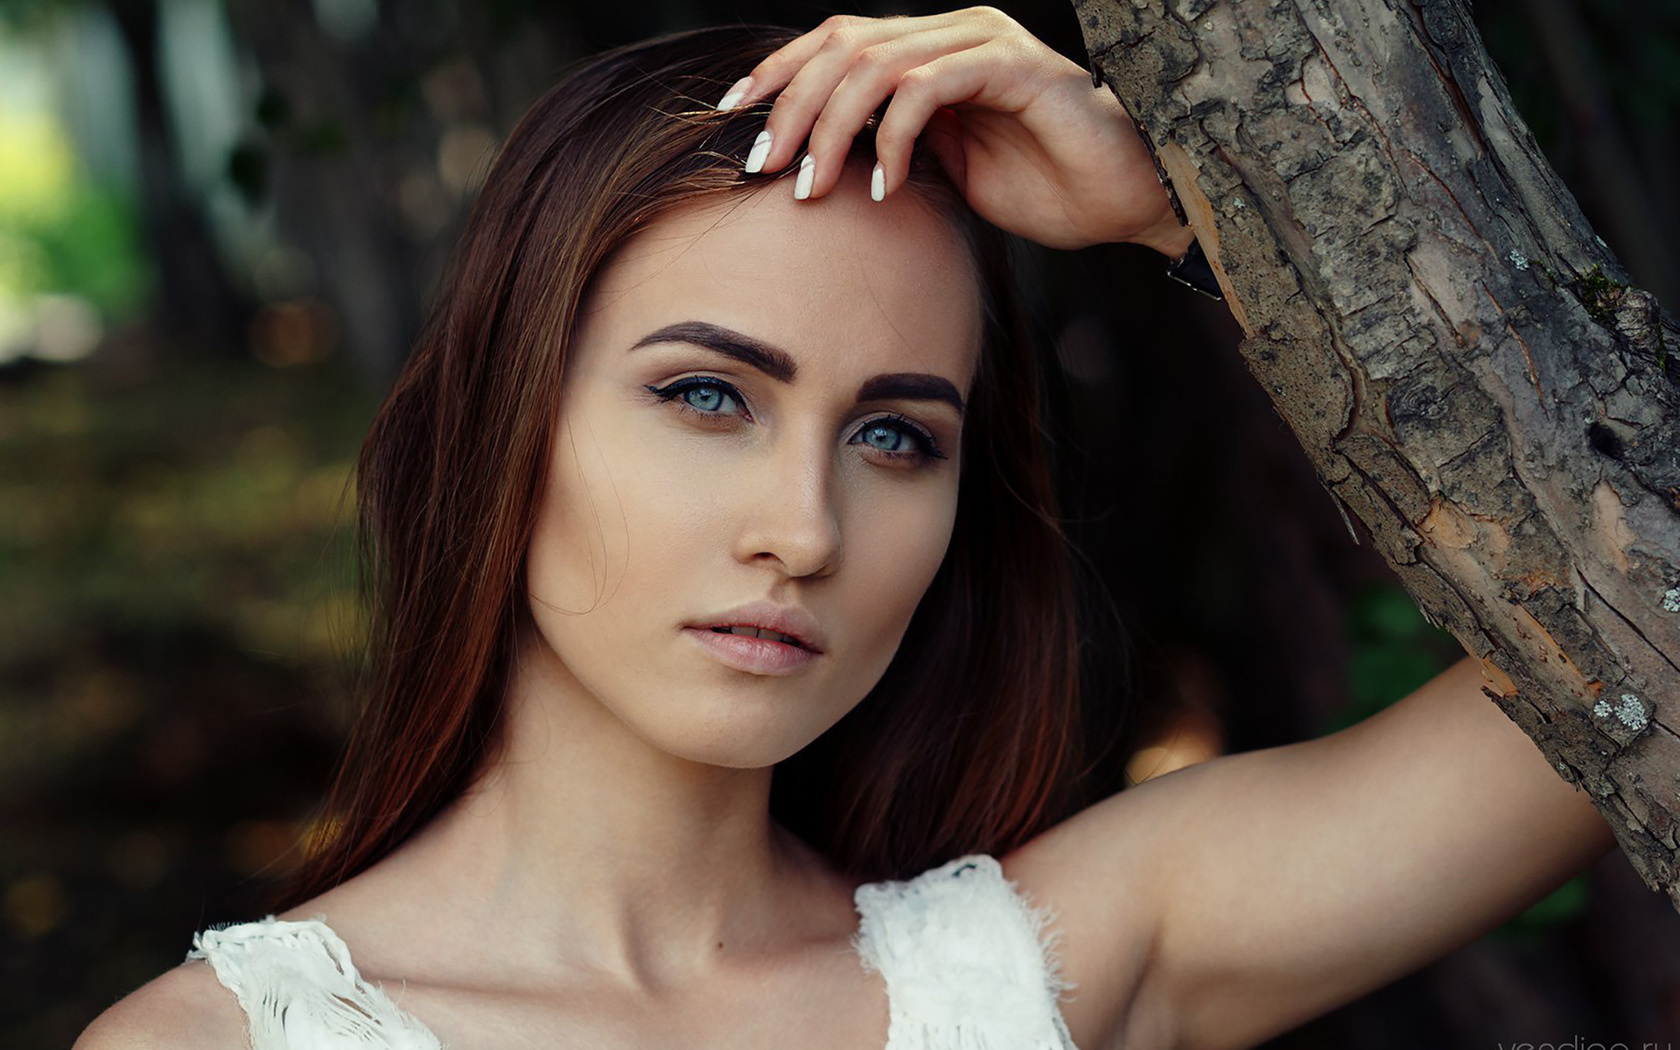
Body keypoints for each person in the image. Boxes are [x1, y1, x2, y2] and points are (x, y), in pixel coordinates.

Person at [75, 8, 1616, 1049]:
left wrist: (1185, 219)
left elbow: (1645, 627)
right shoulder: (218, 1042)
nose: (804, 529)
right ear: (509, 423)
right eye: (705, 395)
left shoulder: (1039, 967)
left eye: (895, 435)